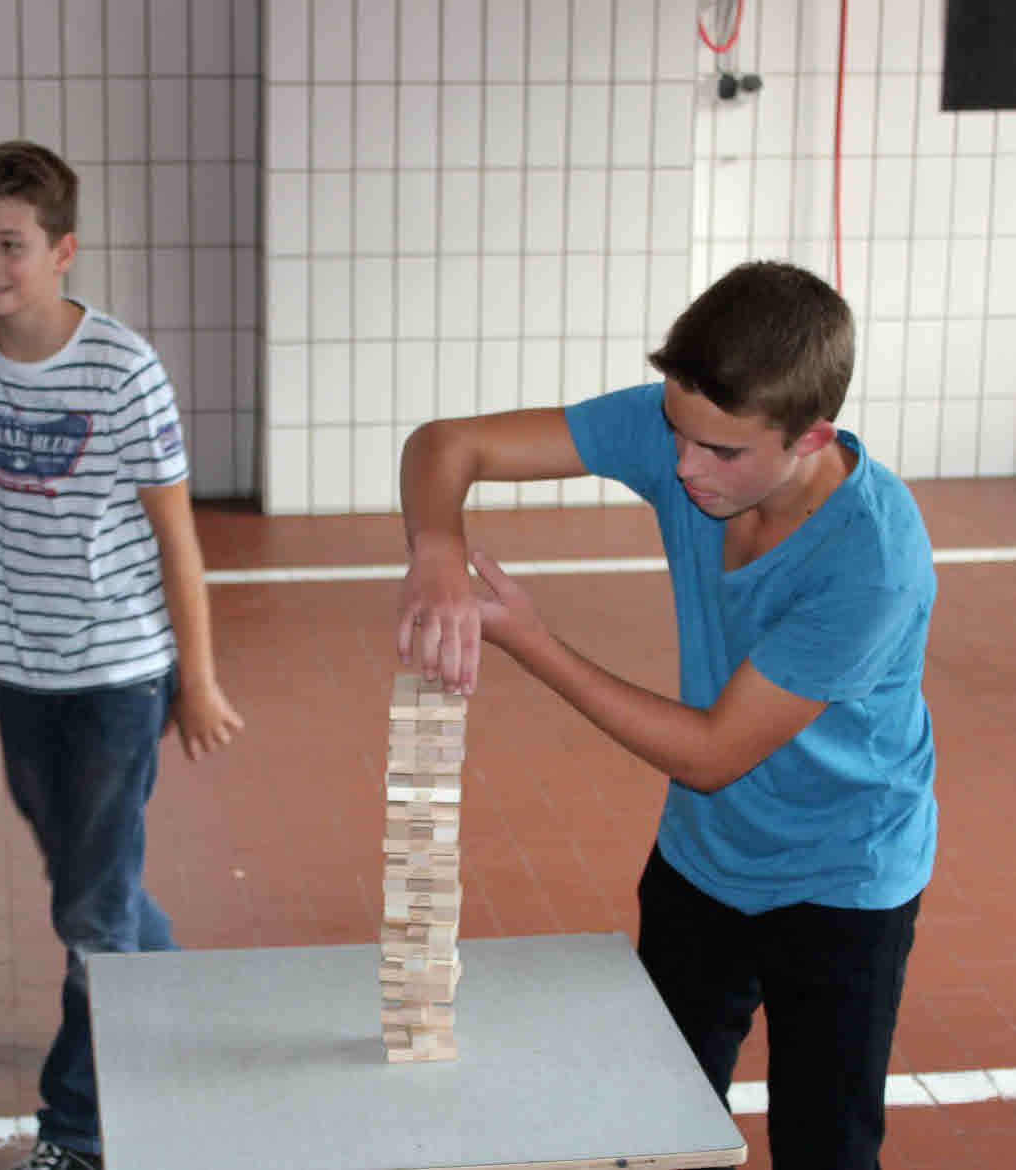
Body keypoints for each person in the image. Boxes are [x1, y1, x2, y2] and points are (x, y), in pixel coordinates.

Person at [397, 261, 935, 1170]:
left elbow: (713, 753)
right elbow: (446, 444)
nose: (683, 467)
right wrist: (437, 550)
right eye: (677, 433)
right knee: (659, 1121)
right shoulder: (685, 428)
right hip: (703, 856)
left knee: (825, 1144)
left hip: (842, 876)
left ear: (810, 437)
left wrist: (531, 641)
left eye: (720, 452)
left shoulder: (870, 562)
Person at [0, 139, 244, 1170]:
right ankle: (176, 992)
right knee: (85, 880)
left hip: (117, 674)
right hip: (23, 670)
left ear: (63, 250)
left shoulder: (121, 369)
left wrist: (196, 679)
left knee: (90, 911)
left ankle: (79, 1128)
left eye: (10, 244)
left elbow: (177, 538)